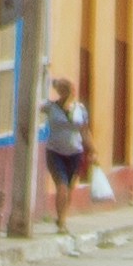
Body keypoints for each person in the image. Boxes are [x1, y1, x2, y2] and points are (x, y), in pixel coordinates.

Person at [38, 76, 89, 235]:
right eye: (64, 91)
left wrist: (93, 151)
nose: (67, 94)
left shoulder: (80, 109)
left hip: (76, 153)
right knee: (62, 186)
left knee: (69, 188)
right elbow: (35, 106)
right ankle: (61, 222)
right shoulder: (50, 107)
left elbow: (85, 131)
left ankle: (63, 218)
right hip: (55, 152)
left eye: (69, 91)